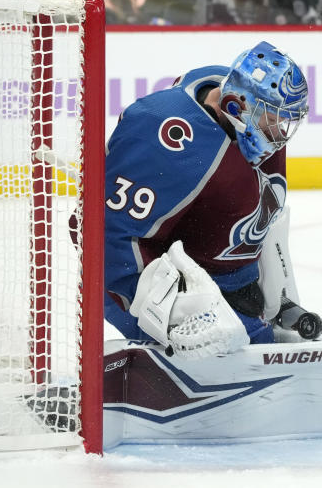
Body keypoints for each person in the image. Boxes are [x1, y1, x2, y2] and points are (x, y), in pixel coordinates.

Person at [104, 41, 309, 355]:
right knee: (241, 368)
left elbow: (261, 215)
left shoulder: (240, 110)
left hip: (224, 279)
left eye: (284, 119)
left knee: (259, 352)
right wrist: (170, 310)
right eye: (272, 117)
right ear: (235, 105)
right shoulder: (166, 135)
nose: (279, 130)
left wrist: (277, 291)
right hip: (157, 284)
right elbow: (108, 236)